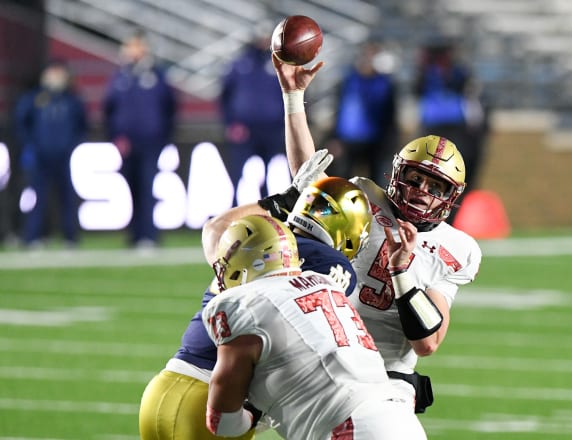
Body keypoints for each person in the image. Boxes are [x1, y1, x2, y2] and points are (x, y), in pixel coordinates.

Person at [271, 52, 482, 415]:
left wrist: (401, 272)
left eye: (435, 186)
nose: (420, 191)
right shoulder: (364, 197)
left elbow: (428, 342)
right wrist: (293, 99)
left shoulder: (457, 247)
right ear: (396, 174)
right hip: (323, 358)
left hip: (386, 377)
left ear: (452, 197)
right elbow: (306, 180)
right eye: (415, 178)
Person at [139, 156, 374, 440]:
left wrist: (280, 200)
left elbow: (215, 228)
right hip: (211, 399)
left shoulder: (261, 241)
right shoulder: (329, 263)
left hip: (163, 386)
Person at [201, 214, 427, 439]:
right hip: (402, 418)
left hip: (352, 426)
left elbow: (222, 422)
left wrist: (254, 412)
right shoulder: (326, 283)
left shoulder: (241, 303)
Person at [102, 29, 177, 248]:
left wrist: (163, 136)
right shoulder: (120, 76)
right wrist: (116, 136)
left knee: (147, 186)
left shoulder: (157, 74)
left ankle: (149, 235)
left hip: (151, 141)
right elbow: (109, 110)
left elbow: (170, 107)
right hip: (126, 143)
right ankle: (135, 234)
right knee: (132, 188)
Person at [13, 59, 88, 248]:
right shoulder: (34, 98)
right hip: (40, 155)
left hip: (64, 156)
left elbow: (82, 124)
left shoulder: (71, 99)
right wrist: (31, 145)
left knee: (67, 197)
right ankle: (33, 236)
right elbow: (21, 122)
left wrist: (71, 145)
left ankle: (70, 237)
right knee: (38, 197)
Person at [413, 43, 489, 225]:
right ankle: (425, 217)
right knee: (430, 176)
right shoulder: (428, 75)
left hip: (457, 130)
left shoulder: (459, 73)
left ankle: (447, 220)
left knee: (454, 179)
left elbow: (468, 92)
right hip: (435, 128)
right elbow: (417, 90)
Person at [218, 23, 288, 206]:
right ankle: (232, 213)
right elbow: (225, 96)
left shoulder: (280, 64)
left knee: (271, 175)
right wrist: (231, 123)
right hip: (244, 128)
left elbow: (290, 95)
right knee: (236, 174)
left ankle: (268, 215)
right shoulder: (240, 64)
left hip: (272, 128)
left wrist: (285, 124)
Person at [325, 41, 398, 187]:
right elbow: (339, 110)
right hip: (349, 140)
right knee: (343, 182)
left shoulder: (385, 83)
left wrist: (388, 142)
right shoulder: (349, 80)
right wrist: (335, 138)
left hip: (375, 141)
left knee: (375, 184)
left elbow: (390, 115)